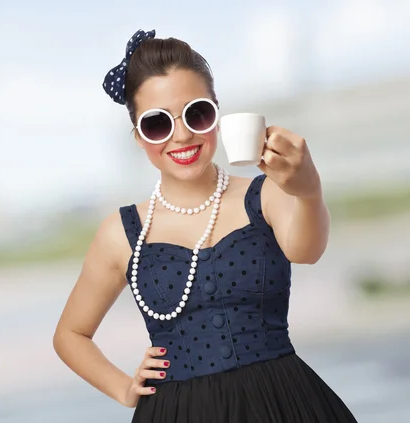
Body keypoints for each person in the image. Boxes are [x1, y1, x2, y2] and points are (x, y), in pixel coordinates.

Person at [52, 28, 358, 422]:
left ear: (217, 113)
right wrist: (124, 388)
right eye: (157, 124)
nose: (181, 134)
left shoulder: (267, 194)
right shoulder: (122, 232)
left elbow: (307, 251)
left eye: (197, 113)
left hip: (283, 404)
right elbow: (70, 335)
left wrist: (309, 190)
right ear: (138, 137)